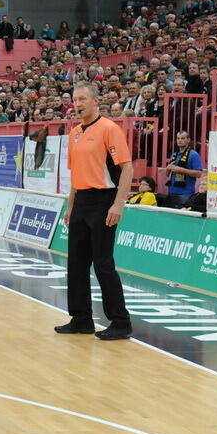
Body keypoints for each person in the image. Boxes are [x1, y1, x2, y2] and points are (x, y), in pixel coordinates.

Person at [55, 82, 134, 340]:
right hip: (81, 200)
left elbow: (127, 169)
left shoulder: (109, 129)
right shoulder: (74, 133)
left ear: (95, 101)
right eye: (74, 100)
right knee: (76, 264)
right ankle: (81, 319)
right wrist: (71, 205)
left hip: (103, 201)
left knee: (103, 264)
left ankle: (121, 322)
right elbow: (76, 173)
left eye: (82, 99)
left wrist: (118, 204)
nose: (77, 104)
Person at [164, 131, 203, 207]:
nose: (180, 140)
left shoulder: (193, 154)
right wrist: (168, 169)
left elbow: (199, 174)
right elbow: (168, 175)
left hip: (185, 193)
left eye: (182, 138)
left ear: (188, 140)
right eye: (178, 138)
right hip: (171, 191)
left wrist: (180, 170)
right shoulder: (174, 154)